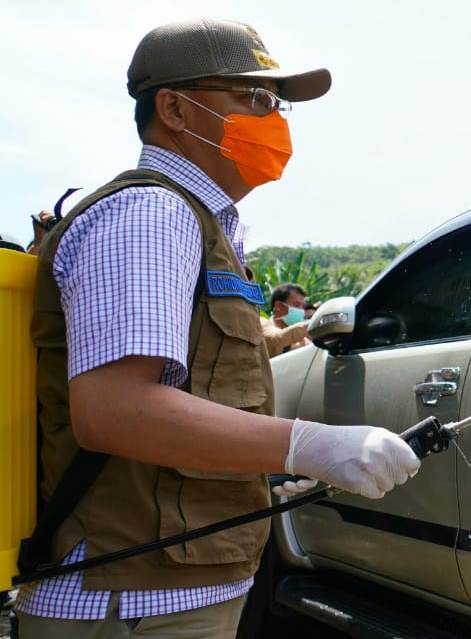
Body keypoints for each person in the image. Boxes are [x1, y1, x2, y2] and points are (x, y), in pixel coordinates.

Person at [15, 19, 420, 639]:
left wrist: (266, 464)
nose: (275, 119)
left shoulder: (199, 224)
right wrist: (307, 442)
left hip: (168, 585)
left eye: (277, 104)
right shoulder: (150, 214)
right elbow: (115, 409)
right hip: (128, 601)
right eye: (255, 99)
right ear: (176, 108)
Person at [260, 283, 312, 356]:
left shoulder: (303, 340)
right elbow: (278, 339)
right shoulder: (262, 323)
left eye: (302, 306)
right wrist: (313, 323)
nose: (301, 311)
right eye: (296, 305)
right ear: (278, 306)